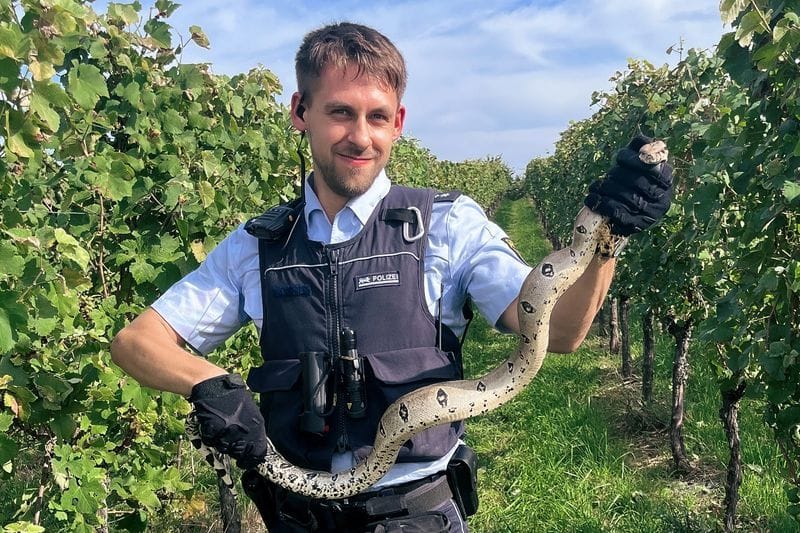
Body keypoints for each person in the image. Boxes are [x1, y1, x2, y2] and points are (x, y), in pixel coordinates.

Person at [111, 22, 672, 533]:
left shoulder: (448, 225)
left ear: (397, 123)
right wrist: (208, 384)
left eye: (377, 116)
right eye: (339, 112)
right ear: (300, 112)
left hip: (413, 513)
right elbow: (137, 342)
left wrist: (606, 241)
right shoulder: (258, 245)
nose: (360, 136)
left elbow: (564, 332)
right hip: (295, 515)